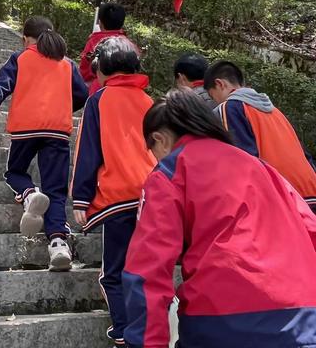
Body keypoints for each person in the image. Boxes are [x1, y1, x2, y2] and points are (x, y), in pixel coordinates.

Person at [123, 89, 316, 348]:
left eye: (153, 150)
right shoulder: (262, 168)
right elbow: (311, 230)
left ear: (160, 139)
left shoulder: (170, 172)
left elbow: (147, 271)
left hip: (222, 322)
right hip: (303, 320)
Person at [0, 16, 88, 272]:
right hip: (58, 132)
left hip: (26, 129)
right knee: (57, 190)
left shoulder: (21, 58)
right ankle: (59, 244)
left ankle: (29, 195)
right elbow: (82, 93)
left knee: (14, 172)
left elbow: (1, 83)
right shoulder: (67, 63)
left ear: (26, 38)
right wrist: (62, 107)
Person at [71, 37, 155, 347]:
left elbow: (88, 150)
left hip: (119, 197)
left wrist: (81, 197)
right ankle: (146, 329)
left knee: (114, 273)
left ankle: (124, 331)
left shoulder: (100, 100)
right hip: (154, 198)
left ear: (103, 69)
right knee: (144, 269)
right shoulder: (150, 102)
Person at [204, 60, 316, 213]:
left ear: (220, 84)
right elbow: (304, 154)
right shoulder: (275, 111)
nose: (214, 101)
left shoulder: (230, 108)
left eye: (212, 96)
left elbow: (243, 159)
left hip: (282, 200)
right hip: (309, 194)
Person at [79, 3, 135, 95]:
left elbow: (85, 68)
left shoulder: (94, 42)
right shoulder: (128, 44)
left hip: (97, 88)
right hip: (123, 90)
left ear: (100, 22)